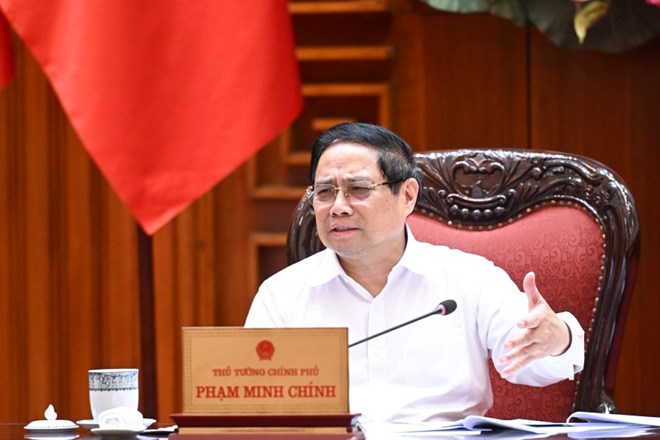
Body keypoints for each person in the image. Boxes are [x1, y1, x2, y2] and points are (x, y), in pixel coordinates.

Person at [244, 122, 584, 423]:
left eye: (358, 189)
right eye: (324, 192)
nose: (339, 207)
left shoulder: (469, 279)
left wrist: (557, 338)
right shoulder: (282, 295)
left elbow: (533, 365)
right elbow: (254, 406)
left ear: (407, 195)